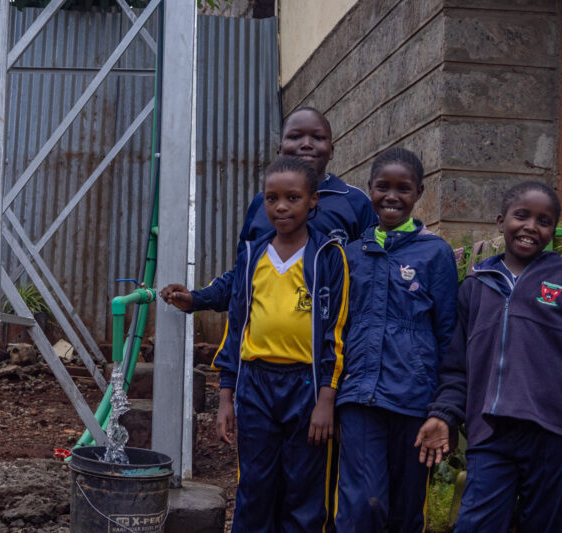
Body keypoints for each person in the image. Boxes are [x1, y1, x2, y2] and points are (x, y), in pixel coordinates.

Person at [163, 155, 350, 531]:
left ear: (313, 200)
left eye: (293, 198)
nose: (281, 206)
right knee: (255, 485)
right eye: (272, 198)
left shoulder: (329, 257)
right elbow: (237, 329)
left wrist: (327, 399)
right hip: (256, 386)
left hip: (307, 388)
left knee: (304, 489)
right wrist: (226, 398)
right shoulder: (253, 256)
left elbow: (337, 333)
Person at [415, 182, 562, 533]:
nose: (530, 226)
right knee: (477, 523)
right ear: (501, 221)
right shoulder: (476, 286)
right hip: (490, 432)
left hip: (550, 434)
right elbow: (456, 366)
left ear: (553, 230)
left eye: (543, 220)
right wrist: (444, 413)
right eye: (521, 216)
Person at [333, 147, 458, 533]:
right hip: (358, 397)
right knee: (363, 506)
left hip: (414, 400)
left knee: (406, 511)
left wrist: (443, 407)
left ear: (419, 192)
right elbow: (333, 329)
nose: (392, 196)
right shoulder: (351, 254)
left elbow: (448, 333)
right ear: (369, 189)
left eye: (403, 188)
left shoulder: (435, 253)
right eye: (382, 187)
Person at [161, 106, 376, 314]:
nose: (307, 144)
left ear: (332, 151)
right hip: (267, 341)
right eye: (295, 137)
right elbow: (244, 274)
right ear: (280, 149)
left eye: (318, 138)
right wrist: (198, 299)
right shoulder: (262, 204)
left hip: (332, 341)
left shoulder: (354, 202)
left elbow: (375, 274)